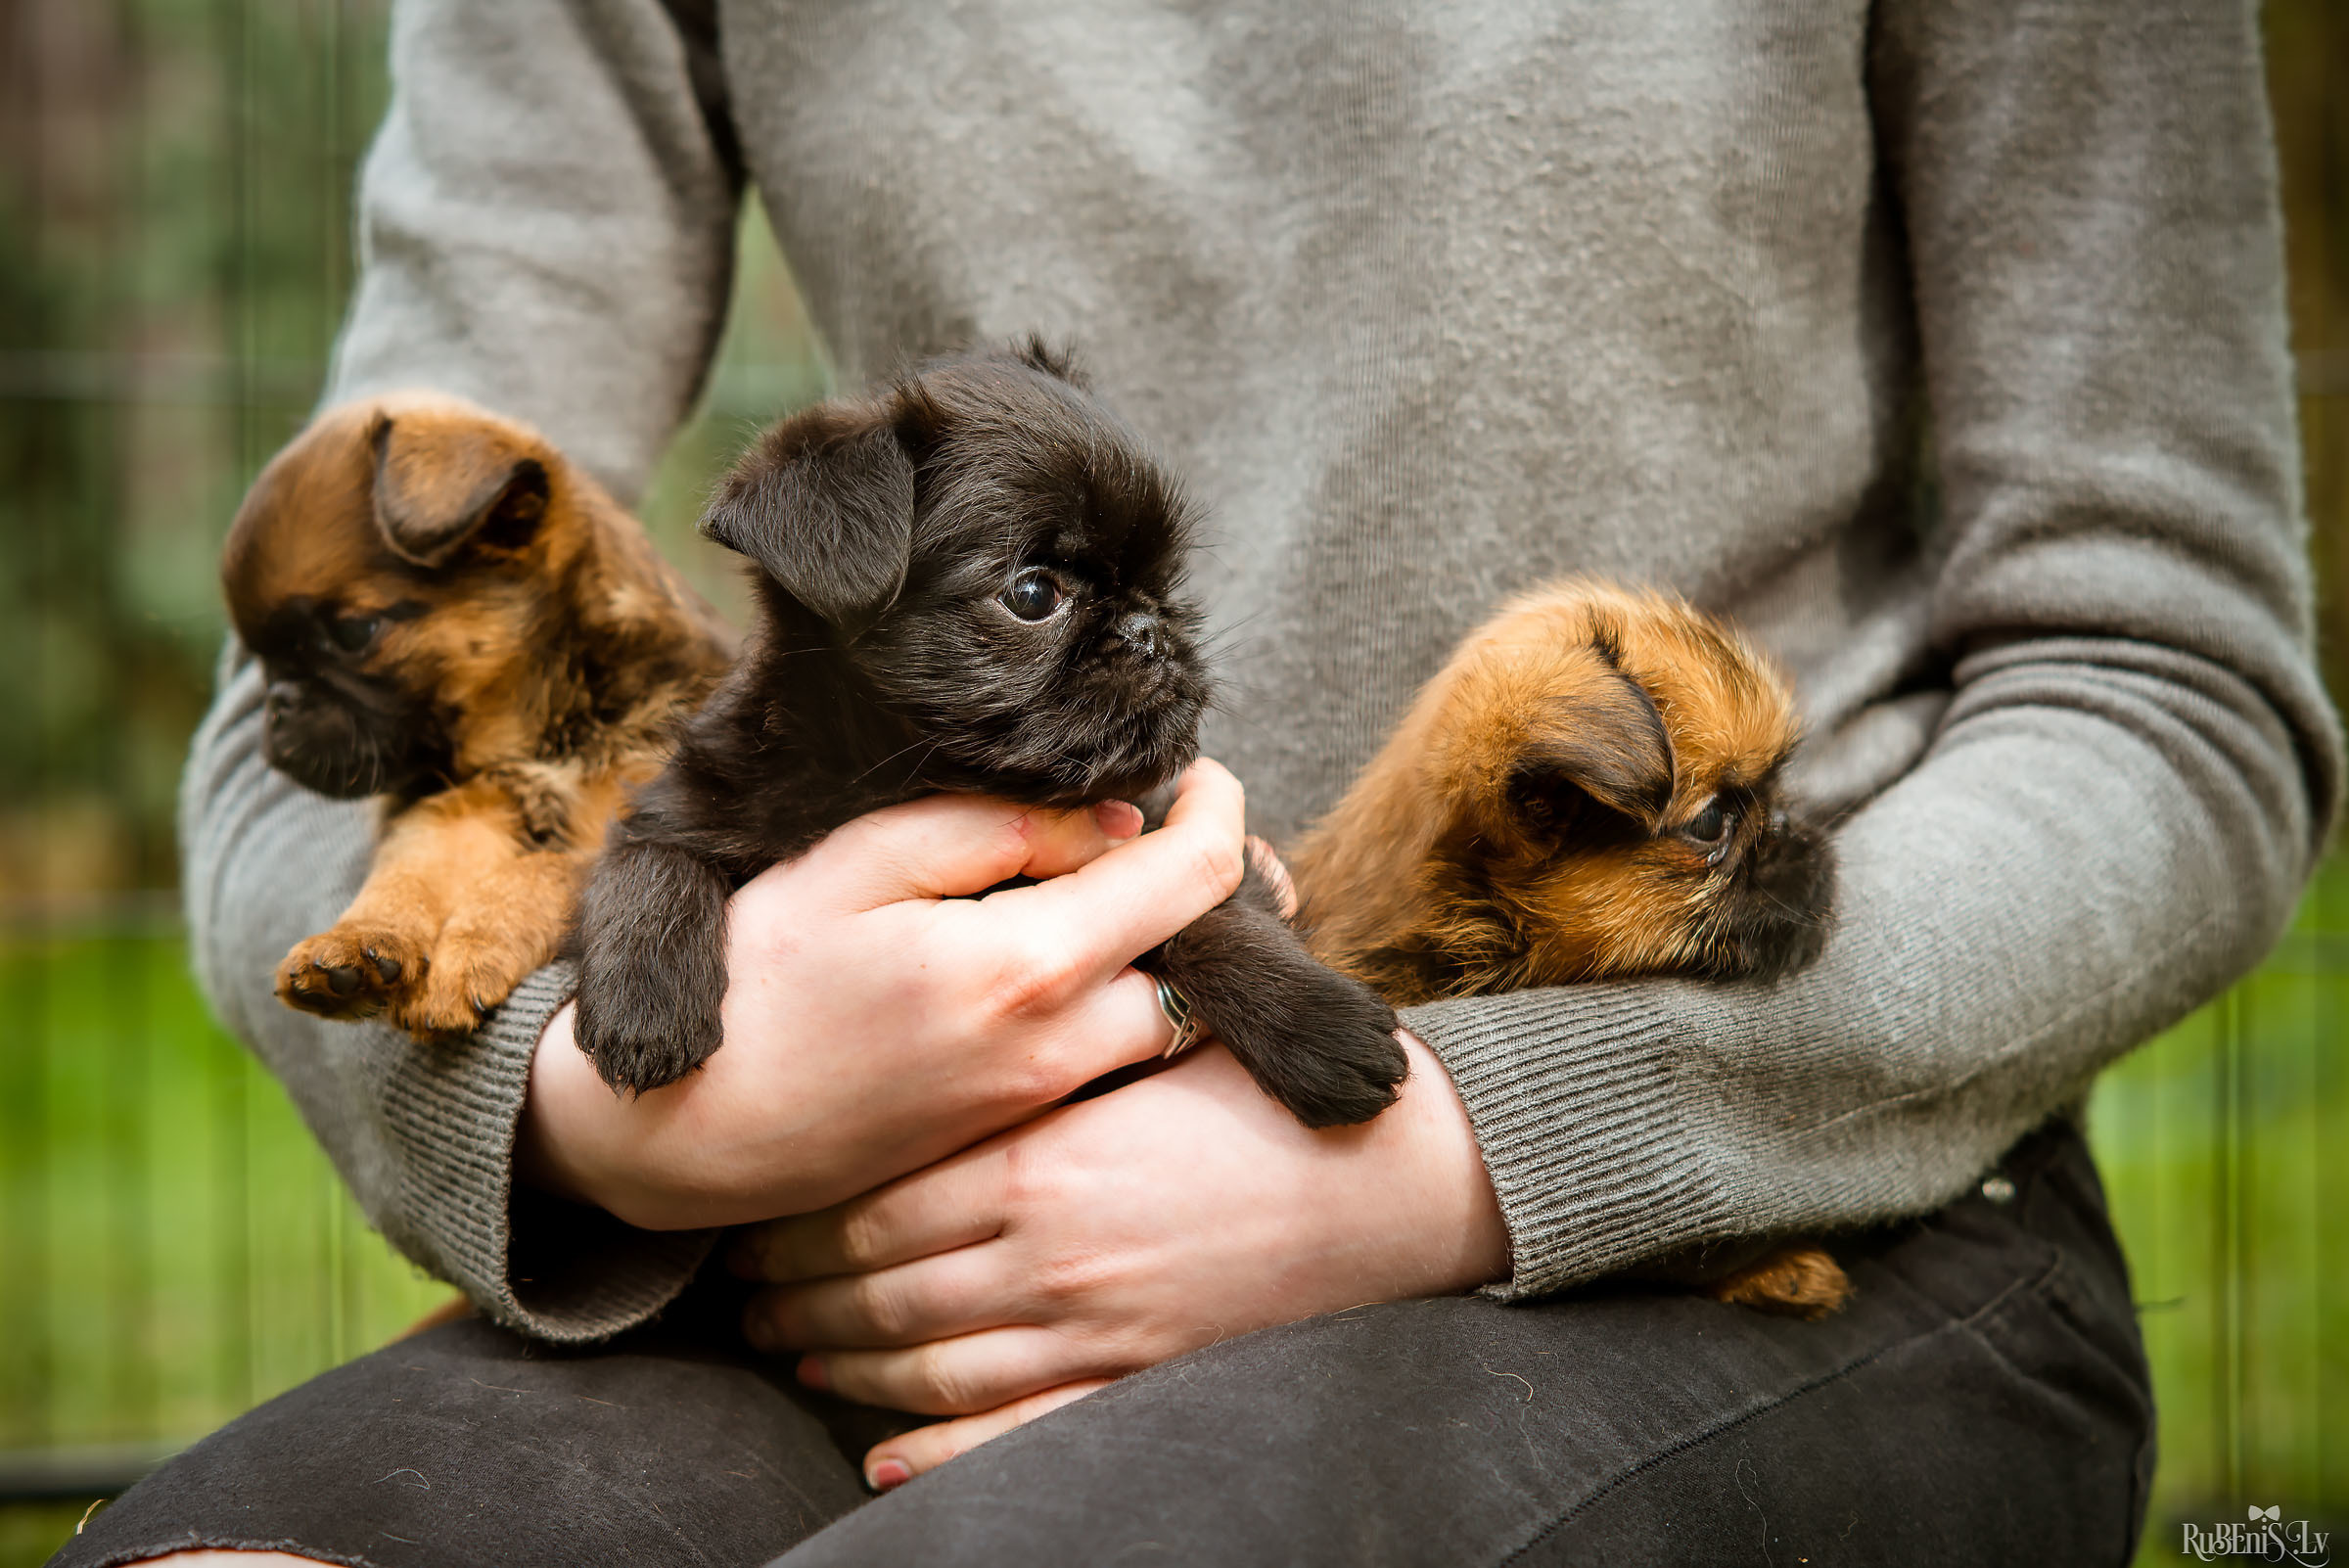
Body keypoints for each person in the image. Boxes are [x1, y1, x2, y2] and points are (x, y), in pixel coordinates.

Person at [58, 0, 2339, 1563]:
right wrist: (607, 1113)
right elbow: (317, 682)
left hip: (1785, 1198)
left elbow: (2171, 680)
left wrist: (1488, 1154)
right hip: (881, 1232)